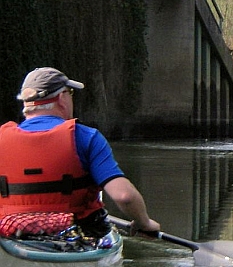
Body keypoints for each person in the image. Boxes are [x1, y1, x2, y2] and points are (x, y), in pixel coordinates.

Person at [0, 67, 160, 238]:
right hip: (77, 231)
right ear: (61, 98)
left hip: (11, 232)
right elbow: (124, 196)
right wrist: (144, 222)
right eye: (70, 92)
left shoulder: (2, 138)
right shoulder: (86, 137)